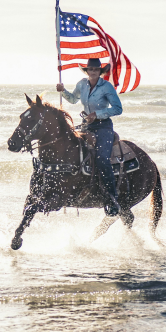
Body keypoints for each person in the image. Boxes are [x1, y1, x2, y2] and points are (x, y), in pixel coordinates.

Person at [56, 58, 123, 216]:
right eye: (90, 69)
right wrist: (63, 91)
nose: (93, 72)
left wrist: (97, 114)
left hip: (103, 126)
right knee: (71, 152)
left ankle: (112, 198)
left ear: (100, 71)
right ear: (86, 71)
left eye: (96, 69)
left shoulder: (106, 86)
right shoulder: (82, 84)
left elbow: (118, 108)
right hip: (86, 125)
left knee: (102, 159)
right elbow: (73, 99)